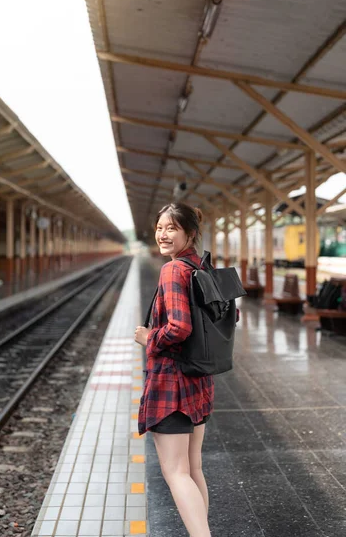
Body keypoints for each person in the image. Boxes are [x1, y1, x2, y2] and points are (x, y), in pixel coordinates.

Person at [134, 202, 214, 537]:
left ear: (189, 233)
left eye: (171, 228)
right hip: (199, 382)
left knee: (176, 472)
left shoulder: (172, 271)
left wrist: (149, 337)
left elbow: (179, 327)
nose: (163, 235)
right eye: (160, 227)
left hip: (172, 385)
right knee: (192, 468)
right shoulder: (200, 266)